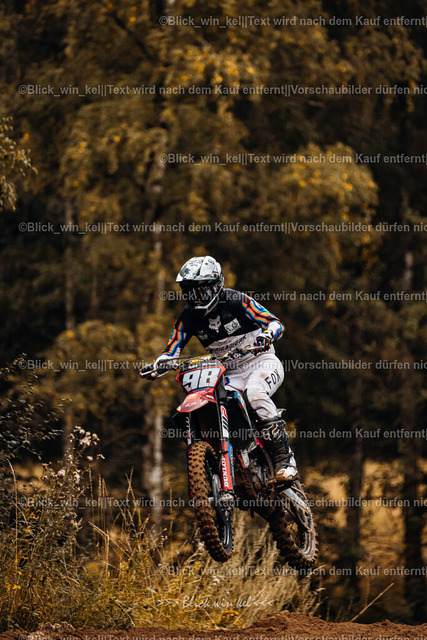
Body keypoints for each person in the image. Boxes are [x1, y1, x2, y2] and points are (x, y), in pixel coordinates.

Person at [142, 255, 298, 483]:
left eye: (201, 290)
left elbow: (275, 322)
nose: (196, 297)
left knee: (255, 392)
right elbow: (172, 349)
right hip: (228, 373)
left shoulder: (237, 301)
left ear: (216, 285)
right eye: (189, 292)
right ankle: (234, 461)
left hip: (261, 362)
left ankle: (285, 461)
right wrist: (158, 365)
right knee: (212, 402)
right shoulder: (188, 317)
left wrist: (266, 336)